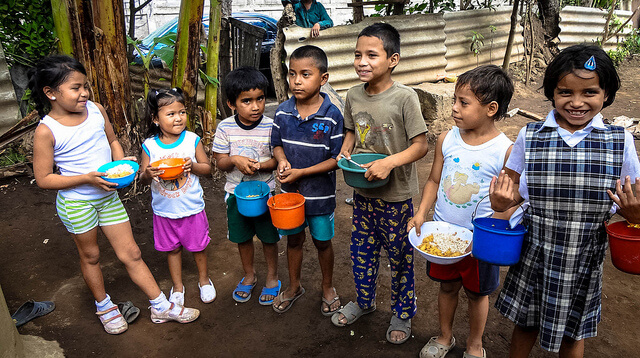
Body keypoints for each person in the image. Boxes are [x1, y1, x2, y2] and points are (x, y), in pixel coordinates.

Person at [30, 55, 199, 335]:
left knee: (131, 252)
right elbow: (44, 179)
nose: (84, 92)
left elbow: (111, 140)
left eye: (85, 86)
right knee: (92, 256)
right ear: (50, 93)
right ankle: (105, 306)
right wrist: (87, 179)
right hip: (77, 204)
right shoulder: (47, 131)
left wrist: (122, 165)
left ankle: (160, 305)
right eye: (75, 88)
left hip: (107, 197)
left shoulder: (96, 109)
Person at [490, 44, 640, 357]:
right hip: (537, 248)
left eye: (589, 92)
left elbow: (634, 199)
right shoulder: (530, 135)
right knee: (526, 323)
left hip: (585, 253)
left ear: (606, 93)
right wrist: (502, 202)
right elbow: (512, 188)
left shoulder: (619, 141)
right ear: (551, 92)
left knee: (574, 332)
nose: (576, 102)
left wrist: (633, 213)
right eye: (564, 92)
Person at [407, 65, 515, 358]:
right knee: (447, 287)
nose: (454, 108)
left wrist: (487, 233)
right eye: (455, 99)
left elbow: (509, 202)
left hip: (479, 243)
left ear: (491, 108)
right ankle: (445, 337)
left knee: (478, 293)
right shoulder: (447, 138)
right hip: (443, 238)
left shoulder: (504, 150)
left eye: (463, 102)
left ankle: (475, 344)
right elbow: (433, 180)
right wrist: (421, 213)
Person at [332, 23, 428, 345]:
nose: (362, 61)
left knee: (400, 256)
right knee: (362, 251)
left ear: (393, 59)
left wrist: (389, 162)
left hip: (397, 197)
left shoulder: (405, 98)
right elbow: (351, 131)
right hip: (363, 194)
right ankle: (364, 300)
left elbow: (420, 146)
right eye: (358, 55)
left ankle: (402, 310)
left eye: (372, 55)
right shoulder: (352, 95)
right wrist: (345, 150)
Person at [270, 45, 343, 315]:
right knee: (293, 241)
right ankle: (294, 286)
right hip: (290, 196)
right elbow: (276, 144)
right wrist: (282, 160)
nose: (296, 81)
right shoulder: (282, 112)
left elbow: (337, 159)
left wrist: (303, 172)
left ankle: (327, 287)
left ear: (323, 79)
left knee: (323, 242)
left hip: (321, 196)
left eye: (305, 74)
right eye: (292, 74)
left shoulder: (332, 115)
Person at [139, 88, 216, 306]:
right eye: (170, 114)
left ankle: (204, 280)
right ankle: (178, 286)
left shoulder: (191, 140)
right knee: (172, 249)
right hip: (164, 210)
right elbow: (143, 178)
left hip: (191, 207)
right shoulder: (150, 145)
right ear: (156, 118)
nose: (178, 118)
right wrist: (148, 174)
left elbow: (207, 168)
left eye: (182, 112)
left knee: (198, 247)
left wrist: (193, 166)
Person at [212, 67, 281, 305]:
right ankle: (249, 274)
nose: (255, 106)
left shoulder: (272, 126)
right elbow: (220, 162)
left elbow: (277, 160)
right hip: (235, 195)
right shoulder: (225, 128)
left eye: (260, 99)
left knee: (268, 237)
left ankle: (272, 276)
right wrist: (234, 160)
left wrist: (260, 166)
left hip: (267, 193)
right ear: (232, 104)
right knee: (242, 238)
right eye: (247, 101)